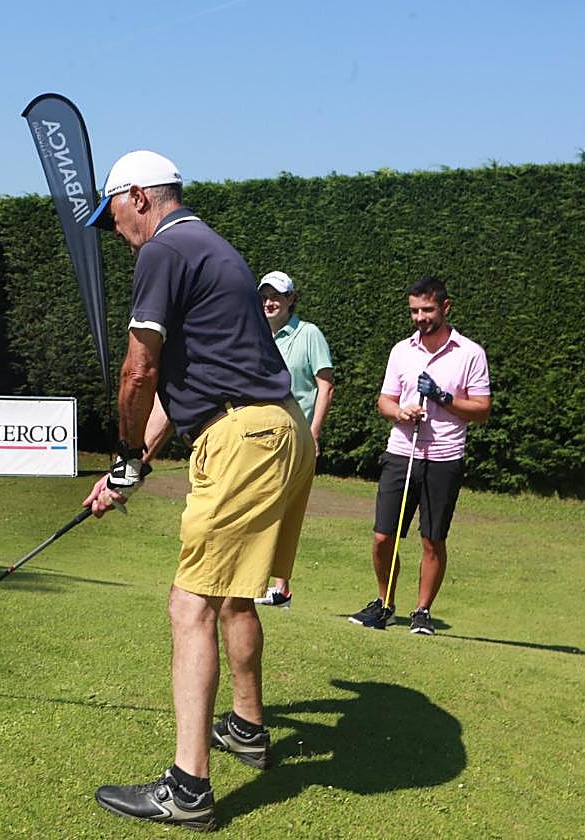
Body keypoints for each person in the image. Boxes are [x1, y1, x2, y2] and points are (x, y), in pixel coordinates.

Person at [80, 150, 316, 831]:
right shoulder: (213, 249)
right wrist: (132, 467)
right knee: (234, 594)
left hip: (243, 438)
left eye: (115, 214)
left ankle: (187, 790)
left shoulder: (164, 250)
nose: (116, 229)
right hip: (279, 430)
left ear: (140, 197)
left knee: (191, 606)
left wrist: (125, 452)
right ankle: (244, 727)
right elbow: (185, 390)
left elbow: (138, 370)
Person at [348, 276, 490, 634]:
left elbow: (482, 410)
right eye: (414, 310)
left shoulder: (470, 353)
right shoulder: (402, 351)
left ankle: (422, 611)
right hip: (401, 451)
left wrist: (443, 398)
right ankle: (385, 604)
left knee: (432, 539)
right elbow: (385, 400)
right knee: (383, 537)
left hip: (444, 456)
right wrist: (401, 412)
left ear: (445, 307)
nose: (420, 317)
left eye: (427, 309)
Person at [254, 270, 335, 609]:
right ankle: (258, 581)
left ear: (291, 299)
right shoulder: (255, 333)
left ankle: (280, 588)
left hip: (295, 436)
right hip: (260, 434)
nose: (270, 302)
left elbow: (325, 385)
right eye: (265, 296)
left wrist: (313, 433)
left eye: (277, 296)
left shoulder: (309, 334)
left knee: (283, 508)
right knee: (260, 503)